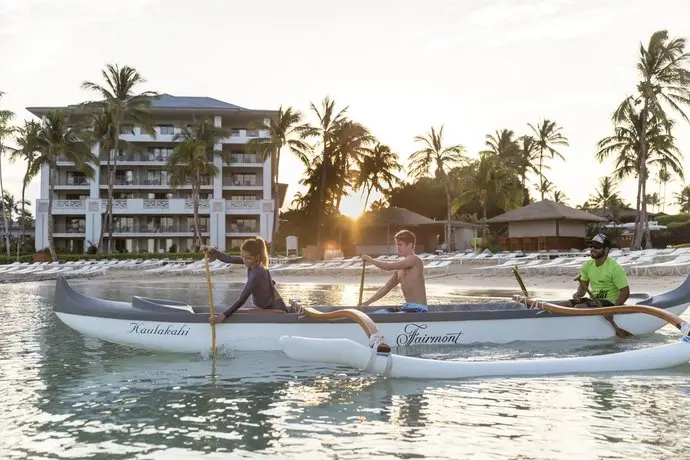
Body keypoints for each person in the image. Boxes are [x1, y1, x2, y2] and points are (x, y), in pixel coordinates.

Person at [201, 237, 289, 324]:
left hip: (278, 312)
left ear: (257, 257)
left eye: (247, 258)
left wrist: (223, 316)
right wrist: (213, 251)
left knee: (234, 313)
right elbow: (229, 259)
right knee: (234, 312)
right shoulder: (252, 263)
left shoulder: (257, 273)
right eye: (242, 257)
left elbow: (242, 299)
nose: (244, 261)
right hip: (268, 309)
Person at [359, 229, 428, 312]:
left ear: (410, 245)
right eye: (396, 245)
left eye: (400, 244)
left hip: (419, 309)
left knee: (381, 314)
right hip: (408, 308)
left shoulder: (415, 260)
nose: (397, 247)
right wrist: (366, 303)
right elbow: (385, 289)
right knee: (380, 312)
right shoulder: (398, 271)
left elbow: (389, 266)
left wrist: (370, 260)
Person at [569, 233, 630, 307]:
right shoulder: (587, 265)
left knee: (579, 307)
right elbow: (583, 290)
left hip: (610, 302)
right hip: (594, 300)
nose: (592, 249)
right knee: (565, 304)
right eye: (591, 246)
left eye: (597, 247)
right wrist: (578, 295)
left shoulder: (615, 268)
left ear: (606, 249)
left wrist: (613, 310)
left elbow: (625, 292)